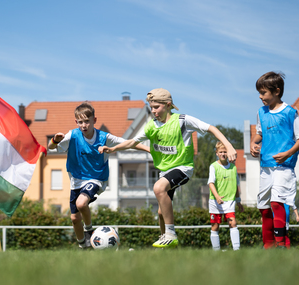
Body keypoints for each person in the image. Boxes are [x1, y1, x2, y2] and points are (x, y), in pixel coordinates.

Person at [100, 88, 237, 248]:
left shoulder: (183, 121)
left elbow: (211, 128)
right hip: (166, 172)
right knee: (160, 212)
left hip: (183, 168)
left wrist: (228, 145)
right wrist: (112, 149)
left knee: (158, 188)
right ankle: (166, 241)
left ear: (168, 105)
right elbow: (132, 142)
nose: (153, 111)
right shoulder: (152, 127)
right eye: (151, 107)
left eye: (156, 107)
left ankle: (170, 233)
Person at [49, 101, 148, 249]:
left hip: (96, 179)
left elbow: (129, 143)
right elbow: (50, 148)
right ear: (76, 122)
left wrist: (149, 149)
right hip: (76, 180)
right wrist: (55, 140)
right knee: (75, 218)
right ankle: (84, 246)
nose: (84, 125)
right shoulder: (73, 135)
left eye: (87, 121)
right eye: (80, 122)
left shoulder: (104, 137)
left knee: (81, 203)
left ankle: (89, 229)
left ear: (94, 120)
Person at [250, 71, 299, 249]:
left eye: (263, 93)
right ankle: (268, 246)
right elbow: (260, 133)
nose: (260, 97)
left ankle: (281, 244)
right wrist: (253, 143)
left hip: (284, 167)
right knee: (263, 207)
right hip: (265, 166)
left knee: (277, 202)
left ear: (276, 91)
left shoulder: (290, 113)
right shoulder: (261, 112)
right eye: (259, 92)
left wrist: (288, 154)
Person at [208, 141, 243, 251]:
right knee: (215, 226)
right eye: (221, 152)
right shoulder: (213, 166)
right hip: (215, 201)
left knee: (233, 223)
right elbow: (210, 183)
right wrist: (217, 197)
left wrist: (238, 201)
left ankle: (237, 250)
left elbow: (236, 186)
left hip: (230, 201)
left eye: (225, 152)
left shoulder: (233, 168)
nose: (223, 154)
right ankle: (216, 251)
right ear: (217, 153)